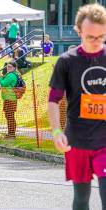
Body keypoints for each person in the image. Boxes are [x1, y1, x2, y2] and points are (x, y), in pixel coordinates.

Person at [48, 4, 106, 210]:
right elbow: (53, 100)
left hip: (104, 140)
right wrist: (56, 132)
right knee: (81, 197)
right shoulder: (66, 61)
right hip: (77, 140)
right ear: (79, 31)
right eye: (90, 37)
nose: (96, 42)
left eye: (101, 37)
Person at [0, 61, 19, 140]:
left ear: (14, 68)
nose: (8, 68)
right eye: (7, 66)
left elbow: (3, 83)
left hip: (10, 98)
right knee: (9, 116)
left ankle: (11, 134)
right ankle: (10, 133)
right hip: (8, 98)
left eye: (10, 67)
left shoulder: (11, 75)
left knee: (10, 116)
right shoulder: (9, 74)